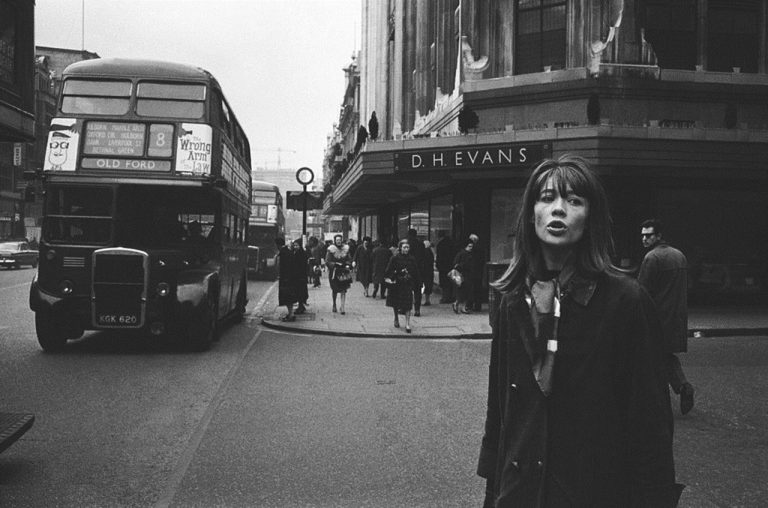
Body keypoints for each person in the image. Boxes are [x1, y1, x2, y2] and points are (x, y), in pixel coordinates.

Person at [478, 155, 682, 507]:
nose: (558, 209)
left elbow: (650, 427)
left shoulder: (626, 301)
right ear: (531, 214)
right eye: (547, 198)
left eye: (574, 200)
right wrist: (493, 492)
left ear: (590, 219)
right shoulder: (512, 301)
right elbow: (501, 410)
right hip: (520, 493)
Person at [638, 218, 695, 415]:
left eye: (649, 235)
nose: (644, 239)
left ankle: (654, 398)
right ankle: (681, 387)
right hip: (676, 316)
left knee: (649, 356)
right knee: (663, 356)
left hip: (656, 317)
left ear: (659, 236)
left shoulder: (652, 258)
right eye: (643, 235)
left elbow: (642, 292)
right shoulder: (679, 255)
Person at [384, 239, 421, 333]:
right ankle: (396, 317)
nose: (406, 249)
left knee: (408, 304)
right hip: (397, 284)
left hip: (407, 284)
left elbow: (416, 271)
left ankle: (408, 324)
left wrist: (418, 282)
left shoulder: (412, 259)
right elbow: (388, 270)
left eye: (408, 247)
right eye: (404, 247)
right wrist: (396, 274)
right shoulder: (395, 258)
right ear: (400, 248)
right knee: (396, 303)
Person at [325, 234, 352, 314]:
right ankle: (334, 304)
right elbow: (327, 261)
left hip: (343, 271)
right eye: (337, 240)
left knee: (344, 289)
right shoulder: (331, 249)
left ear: (341, 240)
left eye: (340, 240)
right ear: (335, 241)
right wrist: (334, 264)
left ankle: (342, 307)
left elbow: (349, 259)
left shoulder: (346, 249)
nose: (339, 241)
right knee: (335, 289)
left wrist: (348, 264)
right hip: (334, 271)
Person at [275, 238, 298, 321]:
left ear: (278, 245)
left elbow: (283, 267)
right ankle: (290, 314)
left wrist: (284, 277)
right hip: (290, 278)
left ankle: (291, 315)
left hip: (286, 279)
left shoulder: (283, 253)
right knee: (289, 298)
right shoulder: (287, 251)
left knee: (287, 297)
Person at [451, 238, 475, 314]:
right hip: (463, 274)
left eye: (471, 246)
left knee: (465, 292)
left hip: (466, 274)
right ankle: (460, 306)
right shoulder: (463, 254)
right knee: (464, 291)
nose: (471, 248)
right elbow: (456, 264)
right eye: (469, 246)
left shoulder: (463, 253)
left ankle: (460, 305)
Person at [406, 228, 426, 316]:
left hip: (409, 270)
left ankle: (406, 308)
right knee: (418, 290)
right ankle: (417, 309)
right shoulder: (421, 244)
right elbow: (423, 257)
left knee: (407, 290)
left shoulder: (407, 244)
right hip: (419, 270)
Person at [435, 231, 455, 303]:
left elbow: (439, 256)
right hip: (450, 265)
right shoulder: (451, 243)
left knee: (444, 283)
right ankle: (451, 297)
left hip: (443, 266)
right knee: (450, 282)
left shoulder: (440, 244)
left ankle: (445, 297)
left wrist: (438, 265)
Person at [469, 233, 486, 311]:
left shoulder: (472, 249)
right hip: (479, 270)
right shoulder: (481, 248)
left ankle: (471, 304)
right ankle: (478, 305)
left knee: (472, 288)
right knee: (478, 288)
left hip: (473, 270)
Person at [292, 238, 309, 314]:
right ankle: (300, 306)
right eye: (294, 245)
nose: (295, 247)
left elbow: (302, 265)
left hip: (300, 276)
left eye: (297, 245)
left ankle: (301, 307)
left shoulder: (301, 253)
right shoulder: (297, 252)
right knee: (299, 291)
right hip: (297, 276)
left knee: (300, 292)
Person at [421, 240, 435, 306]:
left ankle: (421, 299)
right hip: (429, 271)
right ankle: (427, 300)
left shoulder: (423, 251)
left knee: (422, 285)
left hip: (424, 271)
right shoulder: (431, 251)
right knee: (428, 285)